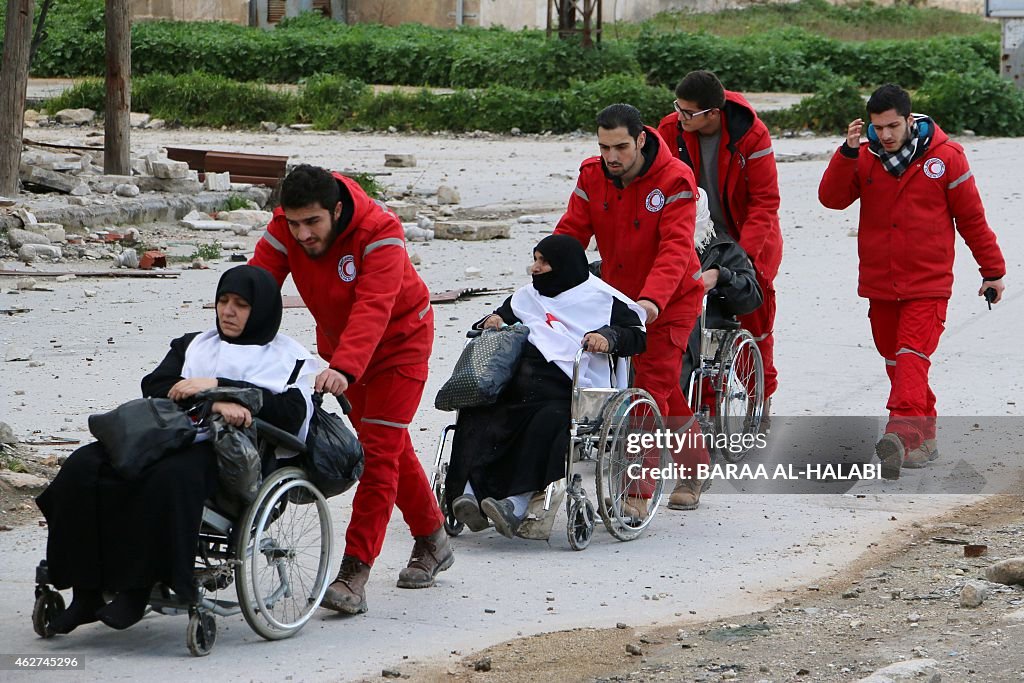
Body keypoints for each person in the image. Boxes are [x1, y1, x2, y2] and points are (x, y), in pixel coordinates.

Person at [36, 265, 315, 635]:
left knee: (167, 478)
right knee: (84, 467)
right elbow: (157, 384)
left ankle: (137, 592)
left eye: (241, 304)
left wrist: (219, 385)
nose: (228, 311)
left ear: (261, 309)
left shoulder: (288, 359)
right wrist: (214, 403)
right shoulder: (194, 344)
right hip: (171, 434)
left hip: (231, 454)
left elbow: (291, 414)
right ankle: (87, 593)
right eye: (223, 301)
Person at [250, 164, 451, 616]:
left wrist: (344, 366)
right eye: (294, 223)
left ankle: (354, 571)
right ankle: (434, 538)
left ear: (337, 210)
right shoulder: (286, 225)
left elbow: (374, 307)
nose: (302, 234)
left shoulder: (381, 230)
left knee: (378, 454)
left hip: (400, 345)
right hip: (343, 353)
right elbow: (255, 287)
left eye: (312, 223)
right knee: (390, 445)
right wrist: (227, 349)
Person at [818, 83, 1006, 479]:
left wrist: (993, 272)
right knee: (898, 361)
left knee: (911, 356)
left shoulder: (947, 157)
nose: (885, 135)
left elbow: (971, 218)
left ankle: (900, 434)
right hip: (880, 283)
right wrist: (847, 153)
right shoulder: (865, 156)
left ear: (909, 119)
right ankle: (926, 438)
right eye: (877, 128)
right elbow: (831, 199)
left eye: (892, 126)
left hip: (929, 283)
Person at [555, 103, 711, 511]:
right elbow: (572, 233)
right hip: (619, 298)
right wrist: (548, 271)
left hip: (671, 299)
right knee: (659, 388)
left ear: (641, 139)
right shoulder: (592, 175)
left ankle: (637, 493)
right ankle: (697, 465)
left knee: (650, 389)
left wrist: (651, 301)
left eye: (621, 147)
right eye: (604, 147)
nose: (611, 157)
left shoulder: (676, 179)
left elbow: (676, 249)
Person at [445, 235, 647, 538]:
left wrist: (608, 337)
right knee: (477, 413)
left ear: (564, 266)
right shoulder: (527, 296)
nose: (535, 268)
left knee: (547, 420)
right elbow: (497, 316)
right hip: (517, 383)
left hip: (567, 386)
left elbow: (637, 335)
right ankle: (470, 495)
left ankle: (516, 502)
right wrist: (494, 319)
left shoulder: (603, 299)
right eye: (535, 259)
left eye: (543, 261)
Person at [657, 70, 783, 423]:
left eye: (687, 113)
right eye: (677, 109)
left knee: (754, 321)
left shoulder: (752, 135)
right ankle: (707, 406)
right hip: (695, 238)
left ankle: (760, 399)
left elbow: (764, 202)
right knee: (696, 321)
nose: (679, 118)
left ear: (713, 113)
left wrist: (742, 259)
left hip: (748, 240)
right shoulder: (670, 131)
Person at [681, 190, 763, 398]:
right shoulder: (654, 241)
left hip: (702, 327)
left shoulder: (725, 249)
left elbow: (751, 297)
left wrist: (722, 276)